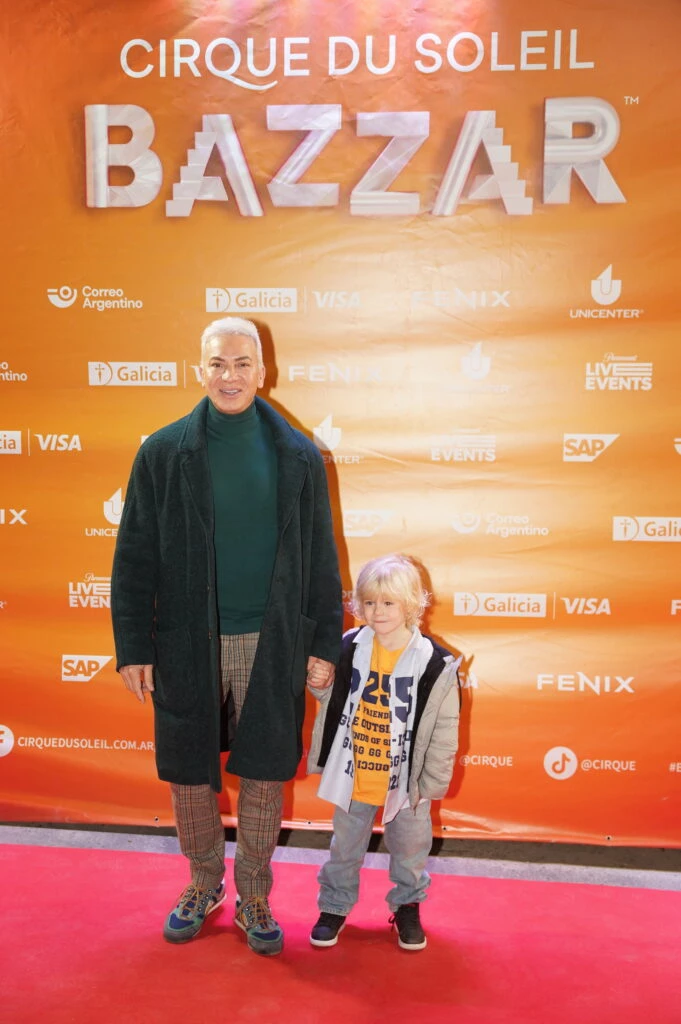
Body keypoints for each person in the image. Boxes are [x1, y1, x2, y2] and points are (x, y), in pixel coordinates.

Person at [111, 316, 343, 957]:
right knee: (189, 773)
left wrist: (323, 642)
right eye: (218, 363)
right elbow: (133, 556)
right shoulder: (162, 452)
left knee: (265, 774)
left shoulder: (299, 455)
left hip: (273, 640)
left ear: (263, 371)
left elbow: (322, 558)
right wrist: (133, 645)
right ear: (200, 370)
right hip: (186, 641)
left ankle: (255, 894)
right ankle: (203, 882)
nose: (230, 376)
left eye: (242, 363)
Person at [306, 553, 461, 951]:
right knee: (344, 849)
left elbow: (444, 728)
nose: (378, 612)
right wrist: (319, 684)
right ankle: (334, 906)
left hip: (407, 781)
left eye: (389, 602)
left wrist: (431, 783)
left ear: (411, 604)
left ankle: (407, 905)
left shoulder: (436, 664)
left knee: (410, 852)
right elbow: (332, 700)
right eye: (370, 602)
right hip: (355, 772)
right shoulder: (348, 647)